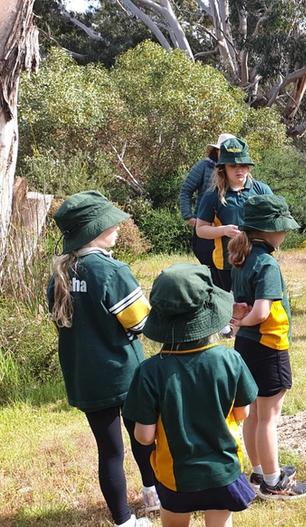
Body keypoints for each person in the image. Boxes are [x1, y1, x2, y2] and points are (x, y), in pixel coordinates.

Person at [47, 191, 158, 527]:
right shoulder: (112, 270)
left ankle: (123, 520)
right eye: (112, 223)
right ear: (94, 230)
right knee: (144, 436)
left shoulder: (59, 274)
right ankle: (154, 493)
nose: (119, 228)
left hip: (86, 376)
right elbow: (141, 323)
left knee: (109, 451)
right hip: (124, 373)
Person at [123, 264, 258, 527]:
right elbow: (243, 413)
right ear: (209, 315)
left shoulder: (149, 371)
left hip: (175, 476)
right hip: (222, 470)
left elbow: (144, 436)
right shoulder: (230, 359)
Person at [228, 194, 306, 499]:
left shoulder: (241, 257)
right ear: (268, 230)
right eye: (282, 227)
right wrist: (241, 322)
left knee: (251, 414)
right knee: (269, 417)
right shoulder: (266, 263)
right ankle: (274, 482)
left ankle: (260, 471)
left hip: (246, 348)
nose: (286, 233)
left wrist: (237, 325)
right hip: (268, 346)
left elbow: (238, 305)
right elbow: (262, 312)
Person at [195, 136, 273, 292]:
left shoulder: (262, 191)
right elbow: (200, 229)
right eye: (233, 165)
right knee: (232, 310)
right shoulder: (212, 195)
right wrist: (223, 230)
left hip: (259, 260)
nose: (240, 170)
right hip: (226, 264)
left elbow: (276, 222)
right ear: (223, 168)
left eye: (244, 165)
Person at [180, 133, 235, 269]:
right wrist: (189, 216)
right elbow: (186, 191)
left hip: (230, 227)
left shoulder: (236, 169)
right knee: (210, 266)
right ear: (217, 151)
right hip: (206, 224)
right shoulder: (204, 166)